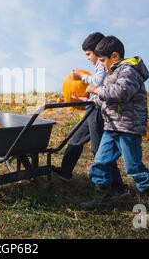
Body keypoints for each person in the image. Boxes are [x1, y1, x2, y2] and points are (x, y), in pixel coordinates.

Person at [83, 35, 149, 222]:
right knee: (101, 163)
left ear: (115, 56)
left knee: (134, 168)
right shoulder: (114, 72)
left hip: (128, 129)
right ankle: (102, 197)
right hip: (112, 128)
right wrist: (92, 99)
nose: (102, 64)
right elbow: (107, 98)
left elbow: (121, 93)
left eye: (103, 60)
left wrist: (96, 90)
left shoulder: (128, 71)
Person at [53, 32, 128, 198]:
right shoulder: (100, 66)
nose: (87, 58)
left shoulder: (102, 66)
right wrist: (85, 98)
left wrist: (81, 76)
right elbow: (98, 89)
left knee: (99, 148)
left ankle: (117, 187)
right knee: (76, 139)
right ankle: (66, 171)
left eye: (88, 54)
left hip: (98, 111)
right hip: (91, 107)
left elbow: (96, 83)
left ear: (97, 51)